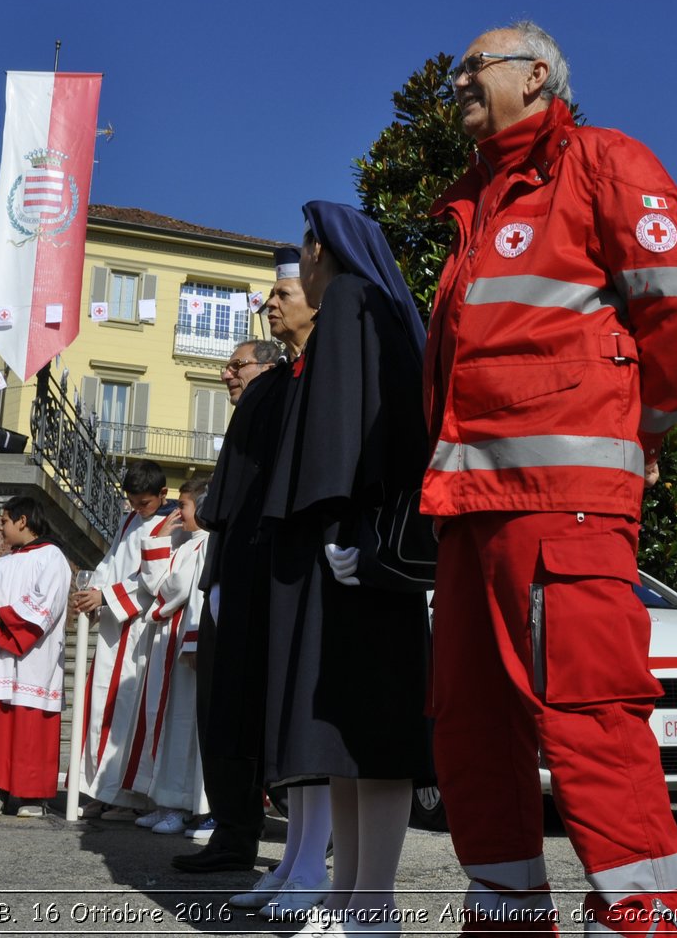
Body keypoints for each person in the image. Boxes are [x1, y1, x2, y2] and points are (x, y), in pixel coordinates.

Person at [424, 22, 677, 937]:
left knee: (590, 715)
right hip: (471, 508)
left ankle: (644, 918)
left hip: (563, 503)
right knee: (470, 725)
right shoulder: (474, 201)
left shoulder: (600, 160)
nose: (458, 80)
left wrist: (647, 427)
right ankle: (506, 914)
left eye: (474, 65)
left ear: (537, 74)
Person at [260, 201, 434, 936]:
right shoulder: (373, 307)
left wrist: (343, 522)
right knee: (346, 736)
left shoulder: (354, 303)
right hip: (360, 545)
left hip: (356, 549)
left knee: (371, 732)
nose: (299, 264)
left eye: (304, 249)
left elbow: (352, 432)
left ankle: (372, 903)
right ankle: (350, 897)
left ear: (324, 252)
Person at [178, 265, 325, 880]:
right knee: (223, 705)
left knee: (253, 703)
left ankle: (291, 842)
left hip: (260, 564)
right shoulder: (271, 390)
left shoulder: (290, 386)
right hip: (231, 563)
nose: (226, 376)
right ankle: (236, 831)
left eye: (236, 368)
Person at [69, 458, 175, 820]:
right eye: (132, 501)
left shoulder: (170, 525)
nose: (137, 508)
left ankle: (130, 799)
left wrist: (107, 597)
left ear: (163, 494)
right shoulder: (130, 519)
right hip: (114, 631)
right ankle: (100, 791)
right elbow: (111, 562)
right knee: (102, 708)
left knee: (129, 713)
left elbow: (154, 579)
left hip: (141, 633)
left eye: (144, 502)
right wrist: (93, 590)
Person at [0, 496, 71, 818]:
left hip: (33, 659)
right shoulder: (1, 564)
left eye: (4, 521)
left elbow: (47, 605)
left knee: (29, 726)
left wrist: (1, 615)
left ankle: (32, 796)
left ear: (23, 520)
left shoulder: (53, 558)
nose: (0, 528)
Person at [130, 477, 211, 833]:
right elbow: (156, 583)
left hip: (188, 646)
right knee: (168, 727)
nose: (178, 512)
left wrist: (194, 642)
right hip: (170, 642)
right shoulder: (185, 544)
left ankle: (191, 807)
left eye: (184, 506)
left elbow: (188, 594)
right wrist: (162, 536)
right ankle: (167, 802)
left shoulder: (207, 544)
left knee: (187, 730)